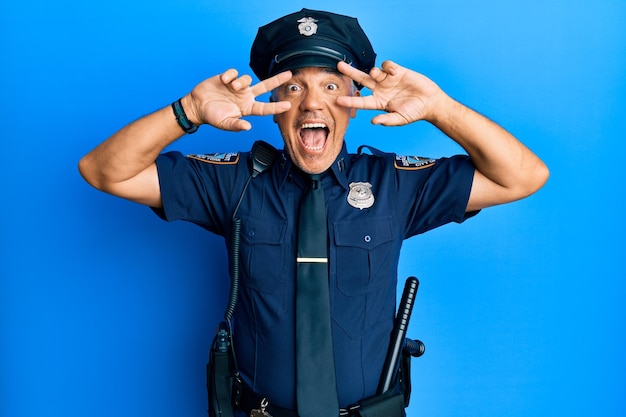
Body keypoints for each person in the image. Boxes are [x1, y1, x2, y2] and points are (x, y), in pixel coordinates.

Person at [79, 8, 549, 417]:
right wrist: (189, 111)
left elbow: (523, 176)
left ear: (354, 103)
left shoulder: (394, 184)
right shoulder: (235, 182)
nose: (312, 102)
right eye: (295, 88)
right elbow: (104, 172)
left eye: (329, 85)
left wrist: (439, 108)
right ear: (275, 107)